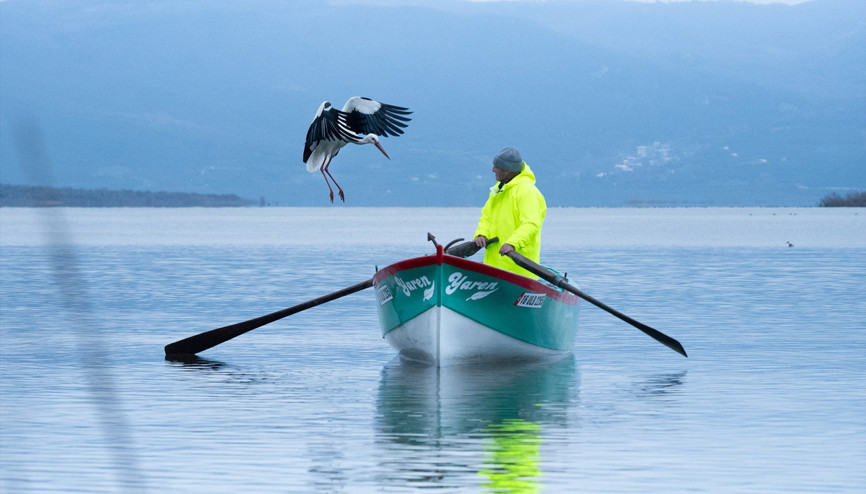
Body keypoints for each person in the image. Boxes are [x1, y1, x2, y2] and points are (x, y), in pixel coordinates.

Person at [473, 147, 547, 278]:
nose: (493, 170)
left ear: (506, 170)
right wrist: (481, 234)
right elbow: (486, 216)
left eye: (496, 167)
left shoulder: (527, 192)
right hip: (493, 268)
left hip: (520, 272)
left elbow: (530, 224)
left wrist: (512, 243)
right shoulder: (498, 191)